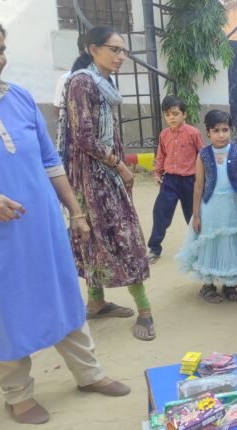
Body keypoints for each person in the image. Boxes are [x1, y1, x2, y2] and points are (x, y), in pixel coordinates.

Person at [0, 12, 130, 425]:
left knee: (63, 296)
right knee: (8, 308)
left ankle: (89, 374)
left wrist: (75, 212)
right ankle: (18, 395)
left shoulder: (20, 98)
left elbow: (50, 161)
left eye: (1, 49)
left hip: (42, 225)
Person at [58, 26, 155, 341]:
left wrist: (117, 165)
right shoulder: (82, 83)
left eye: (122, 50)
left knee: (100, 237)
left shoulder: (103, 82)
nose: (121, 56)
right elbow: (84, 138)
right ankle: (145, 310)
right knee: (122, 238)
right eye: (115, 49)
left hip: (103, 175)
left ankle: (96, 302)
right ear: (92, 49)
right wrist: (120, 166)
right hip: (92, 179)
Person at [175, 110, 237, 303]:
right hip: (210, 207)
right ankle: (208, 285)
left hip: (232, 207)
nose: (221, 135)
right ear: (208, 132)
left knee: (231, 242)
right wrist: (196, 215)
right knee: (210, 243)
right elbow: (198, 186)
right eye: (216, 130)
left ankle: (230, 284)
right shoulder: (203, 155)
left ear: (231, 130)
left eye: (225, 130)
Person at [147, 95, 204, 264]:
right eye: (167, 114)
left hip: (190, 181)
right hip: (169, 180)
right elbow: (161, 155)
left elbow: (203, 155)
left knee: (193, 215)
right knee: (160, 213)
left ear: (184, 114)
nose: (171, 117)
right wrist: (157, 173)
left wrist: (203, 178)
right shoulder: (164, 135)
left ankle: (199, 248)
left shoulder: (193, 133)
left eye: (175, 113)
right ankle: (154, 248)